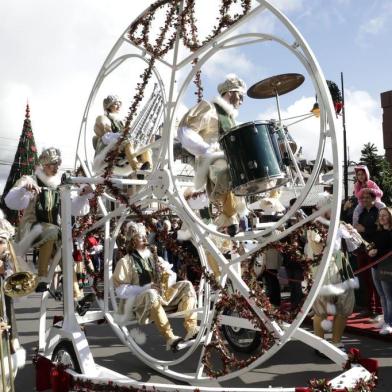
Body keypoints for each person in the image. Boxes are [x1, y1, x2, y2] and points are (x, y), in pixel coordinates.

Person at [4, 148, 94, 313]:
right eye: (53, 164)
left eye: (58, 164)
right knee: (52, 230)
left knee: (67, 255)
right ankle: (42, 277)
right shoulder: (30, 180)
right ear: (44, 164)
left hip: (53, 232)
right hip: (30, 230)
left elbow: (76, 208)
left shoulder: (61, 185)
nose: (56, 167)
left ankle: (77, 298)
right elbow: (11, 201)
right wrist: (24, 189)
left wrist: (82, 195)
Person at [177, 74, 248, 236]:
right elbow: (185, 129)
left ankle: (234, 216)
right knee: (227, 171)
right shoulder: (209, 107)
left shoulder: (229, 118)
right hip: (212, 165)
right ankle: (229, 217)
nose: (242, 101)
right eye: (240, 96)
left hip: (227, 164)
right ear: (230, 93)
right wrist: (206, 150)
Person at [112, 223, 199, 351]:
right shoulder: (125, 262)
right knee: (152, 293)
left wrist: (168, 272)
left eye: (145, 236)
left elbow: (171, 278)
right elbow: (120, 290)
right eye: (141, 237)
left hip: (161, 298)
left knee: (186, 285)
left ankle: (191, 328)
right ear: (133, 241)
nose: (145, 240)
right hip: (141, 303)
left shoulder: (153, 257)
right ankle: (170, 337)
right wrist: (146, 287)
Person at [308, 194, 357, 352]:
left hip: (341, 265)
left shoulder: (338, 224)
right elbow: (316, 248)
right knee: (322, 306)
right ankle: (320, 345)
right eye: (331, 207)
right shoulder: (315, 226)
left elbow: (354, 245)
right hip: (323, 266)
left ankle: (336, 342)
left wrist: (351, 231)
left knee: (345, 304)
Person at [93, 95, 152, 174]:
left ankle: (148, 167)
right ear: (109, 106)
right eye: (116, 104)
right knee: (127, 142)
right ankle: (135, 165)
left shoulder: (120, 121)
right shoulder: (104, 118)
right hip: (111, 147)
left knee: (144, 147)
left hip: (121, 145)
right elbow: (106, 137)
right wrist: (121, 135)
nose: (119, 106)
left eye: (120, 104)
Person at [354, 188, 383, 316]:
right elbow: (357, 229)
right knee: (364, 279)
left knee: (375, 280)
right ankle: (368, 307)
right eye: (363, 198)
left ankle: (379, 308)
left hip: (375, 250)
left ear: (373, 198)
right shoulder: (360, 213)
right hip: (362, 249)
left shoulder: (379, 212)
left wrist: (364, 229)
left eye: (367, 197)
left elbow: (380, 230)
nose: (364, 200)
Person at [368, 207, 392, 334]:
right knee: (382, 295)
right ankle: (385, 318)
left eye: (385, 215)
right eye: (380, 215)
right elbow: (371, 245)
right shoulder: (378, 232)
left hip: (387, 268)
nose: (381, 218)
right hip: (375, 267)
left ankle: (389, 323)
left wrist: (378, 251)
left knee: (389, 296)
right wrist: (370, 251)